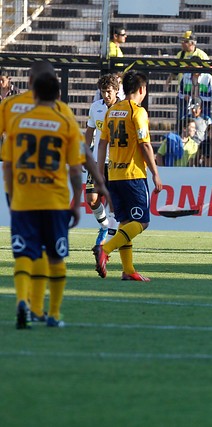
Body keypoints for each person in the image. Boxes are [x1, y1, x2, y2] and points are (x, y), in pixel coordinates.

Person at [0, 60, 109, 324]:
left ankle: (25, 303)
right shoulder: (63, 115)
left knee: (26, 252)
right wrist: (90, 186)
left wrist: (11, 193)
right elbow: (77, 162)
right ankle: (49, 312)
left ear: (31, 84)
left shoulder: (13, 112)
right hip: (55, 197)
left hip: (22, 194)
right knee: (55, 254)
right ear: (56, 91)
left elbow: (9, 163)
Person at [93, 70, 162, 281]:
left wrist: (99, 169)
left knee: (124, 221)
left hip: (113, 174)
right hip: (133, 175)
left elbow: (102, 142)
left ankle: (128, 269)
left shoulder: (111, 111)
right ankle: (105, 249)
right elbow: (145, 145)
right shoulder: (137, 112)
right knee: (142, 222)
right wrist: (156, 174)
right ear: (142, 89)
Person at [85, 74, 121, 246]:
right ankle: (105, 226)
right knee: (91, 198)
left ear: (116, 91)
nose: (106, 95)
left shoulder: (123, 109)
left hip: (116, 161)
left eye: (108, 92)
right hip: (97, 161)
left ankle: (111, 240)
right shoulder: (95, 107)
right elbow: (90, 131)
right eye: (103, 92)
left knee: (113, 201)